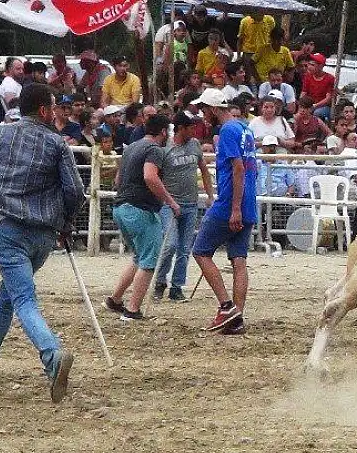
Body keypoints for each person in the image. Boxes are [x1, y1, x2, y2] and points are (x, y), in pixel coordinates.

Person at [0, 83, 84, 402]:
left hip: (9, 231)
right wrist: (66, 223)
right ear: (43, 110)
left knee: (23, 300)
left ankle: (52, 355)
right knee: (8, 299)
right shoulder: (58, 144)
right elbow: (75, 192)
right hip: (43, 235)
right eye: (54, 106)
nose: (56, 111)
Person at [191, 88, 258, 335]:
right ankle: (237, 316)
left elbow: (238, 168)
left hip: (231, 201)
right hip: (248, 200)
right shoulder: (244, 128)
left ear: (212, 108)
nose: (202, 114)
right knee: (239, 259)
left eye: (203, 109)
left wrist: (235, 208)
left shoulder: (227, 130)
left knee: (200, 251)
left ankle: (226, 306)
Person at [103, 115, 179, 321]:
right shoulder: (155, 150)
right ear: (163, 132)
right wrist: (170, 202)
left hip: (121, 208)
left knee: (139, 256)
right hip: (140, 210)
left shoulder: (132, 147)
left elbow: (118, 179)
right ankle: (133, 309)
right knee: (149, 260)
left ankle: (115, 299)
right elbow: (150, 176)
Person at [154, 112, 213, 303]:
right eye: (190, 127)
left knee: (184, 248)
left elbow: (203, 169)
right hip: (169, 204)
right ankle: (160, 280)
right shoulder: (165, 149)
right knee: (170, 245)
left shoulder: (194, 145)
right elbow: (157, 175)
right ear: (181, 128)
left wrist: (210, 195)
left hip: (190, 203)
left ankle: (176, 287)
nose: (193, 131)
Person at [300, 53, 336, 121]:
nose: (309, 67)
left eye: (312, 65)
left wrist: (315, 106)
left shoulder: (330, 78)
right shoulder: (307, 76)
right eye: (309, 64)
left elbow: (328, 99)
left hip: (324, 107)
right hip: (309, 105)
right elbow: (303, 92)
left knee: (317, 113)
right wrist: (300, 104)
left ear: (321, 66)